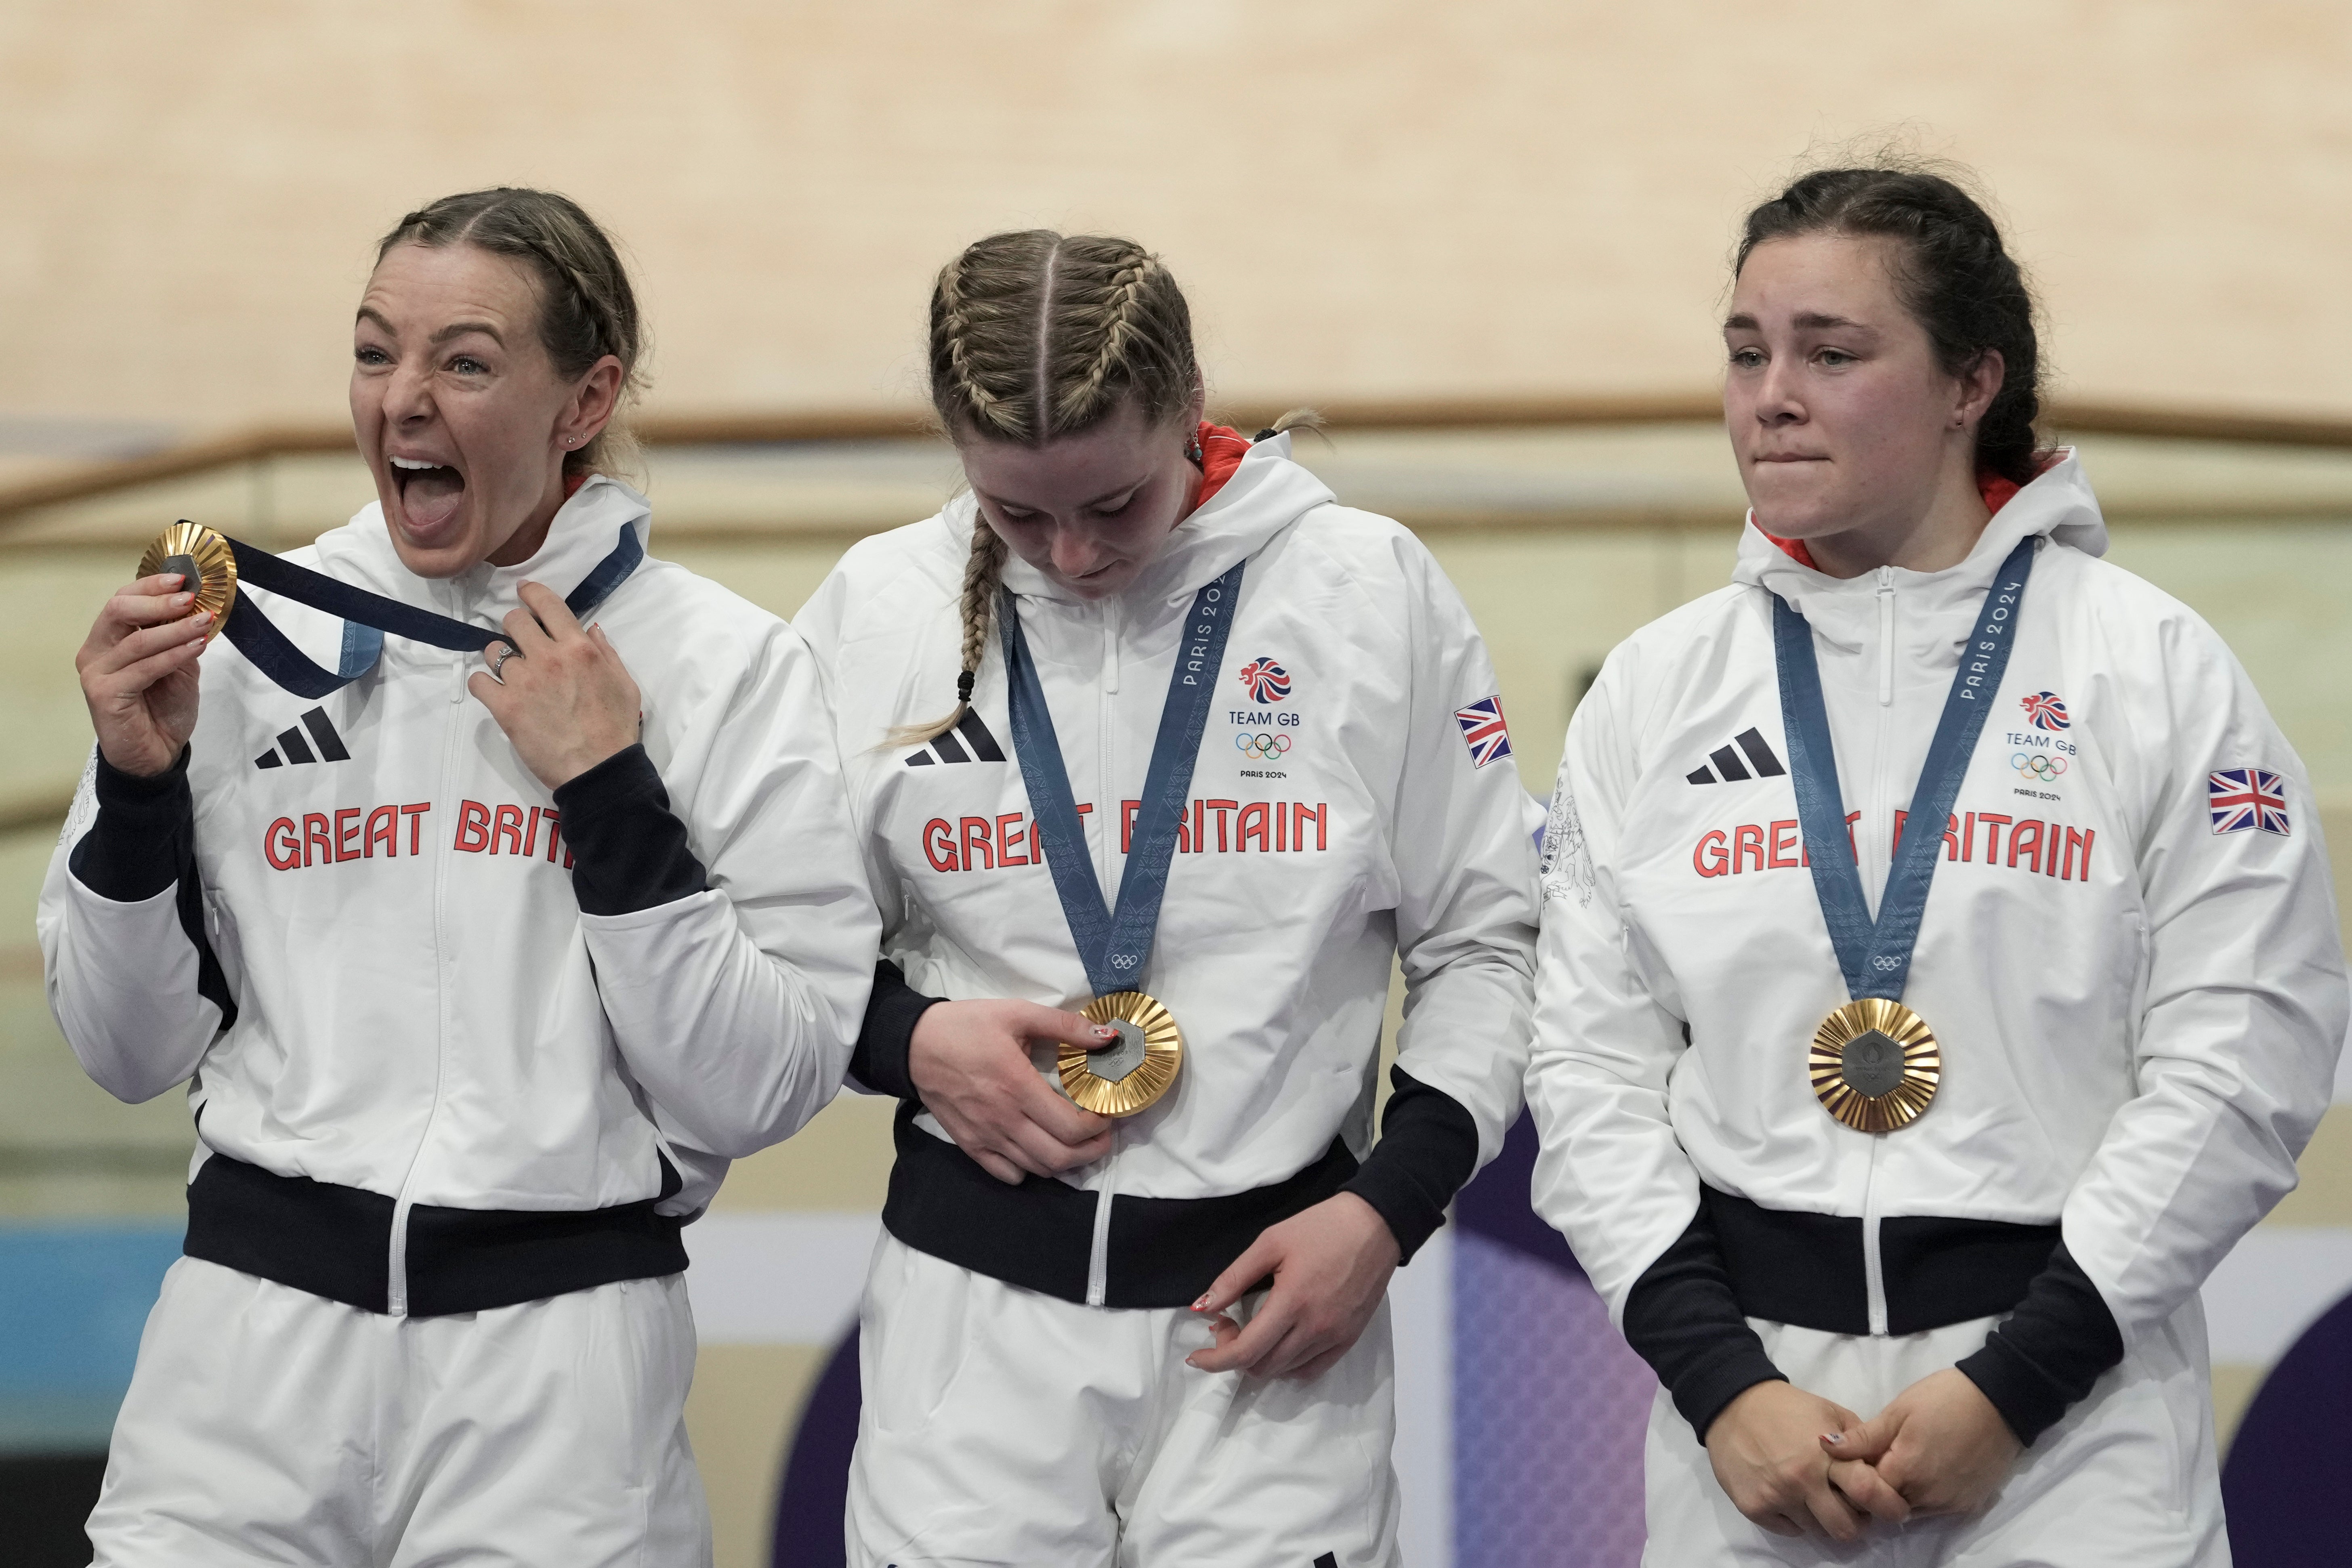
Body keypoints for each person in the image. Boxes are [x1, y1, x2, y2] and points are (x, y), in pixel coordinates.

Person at [39, 187, 877, 1566]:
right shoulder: (244, 643)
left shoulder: (726, 669)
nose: (403, 402)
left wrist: (612, 795)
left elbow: (764, 1080)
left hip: (558, 1379)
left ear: (584, 398)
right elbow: (124, 1047)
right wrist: (135, 790)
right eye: (376, 353)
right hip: (245, 1360)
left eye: (466, 362)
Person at [1525, 164, 2348, 1565]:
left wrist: (2017, 1384)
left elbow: (2245, 1053)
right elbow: (1589, 1071)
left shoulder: (2148, 668)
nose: (1770, 394)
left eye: (1831, 354)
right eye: (1746, 352)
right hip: (1753, 1438)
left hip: (2067, 1426)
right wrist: (1724, 1386)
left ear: (1973, 381)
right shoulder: (1658, 692)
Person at [793, 230, 1539, 1566]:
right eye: (1019, 515)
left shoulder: (1364, 592)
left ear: (1192, 402)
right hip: (970, 1342)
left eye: (1116, 503)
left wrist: (1387, 1211)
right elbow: (779, 949)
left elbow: (1485, 940)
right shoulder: (877, 608)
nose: (1072, 554)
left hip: (1272, 1337)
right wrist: (905, 1041)